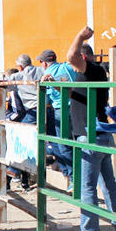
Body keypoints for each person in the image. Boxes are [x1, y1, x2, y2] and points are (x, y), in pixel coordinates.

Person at [57, 28, 116, 231]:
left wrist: (80, 36)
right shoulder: (92, 74)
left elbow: (71, 57)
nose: (72, 66)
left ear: (83, 58)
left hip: (90, 137)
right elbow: (80, 97)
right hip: (99, 135)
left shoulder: (91, 69)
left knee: (87, 188)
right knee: (109, 185)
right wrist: (59, 85)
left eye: (76, 62)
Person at [36, 48, 76, 180]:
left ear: (45, 63)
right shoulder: (67, 67)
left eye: (41, 61)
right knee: (81, 142)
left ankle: (71, 177)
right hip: (78, 107)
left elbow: (46, 98)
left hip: (61, 110)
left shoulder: (47, 75)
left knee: (63, 144)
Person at [4, 54, 44, 124]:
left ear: (20, 67)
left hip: (33, 111)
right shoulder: (42, 70)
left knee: (23, 130)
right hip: (48, 108)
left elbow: (3, 84)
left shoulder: (17, 76)